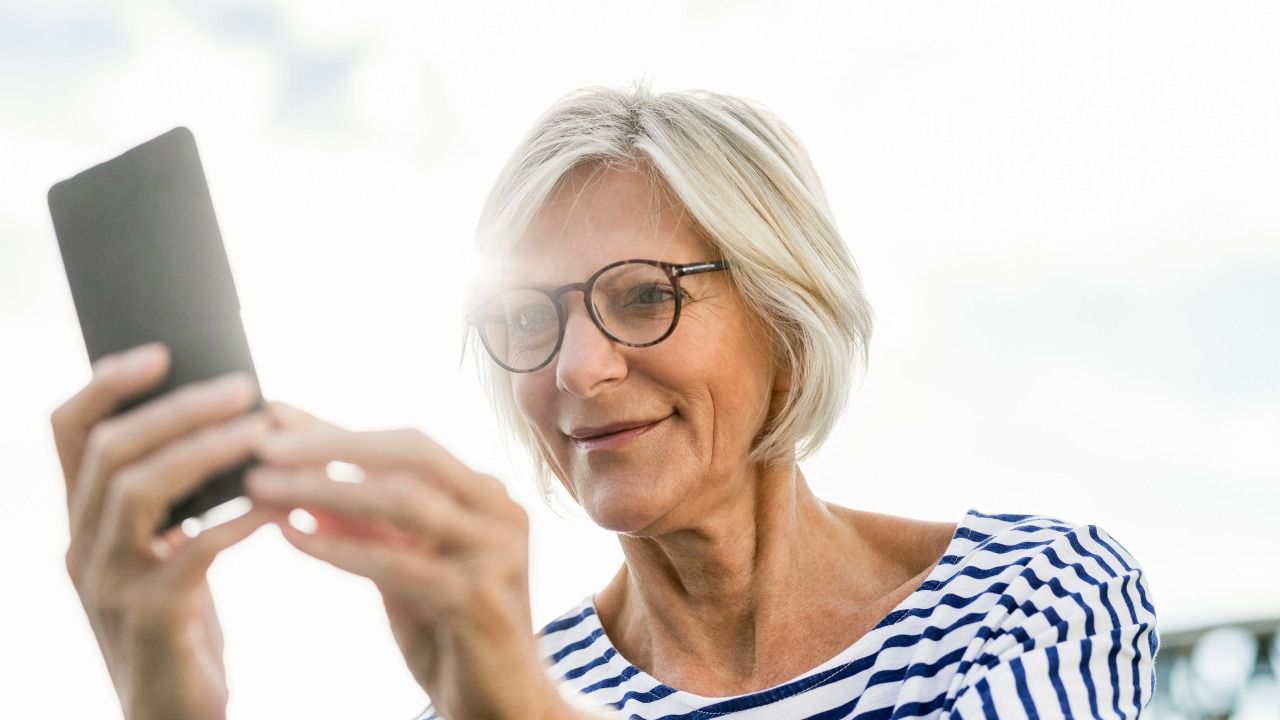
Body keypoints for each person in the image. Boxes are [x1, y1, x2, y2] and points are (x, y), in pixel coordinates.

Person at [51, 83, 1159, 720]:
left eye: (642, 296)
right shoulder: (489, 687)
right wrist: (168, 702)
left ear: (785, 314)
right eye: (527, 317)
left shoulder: (1029, 597)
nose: (577, 369)